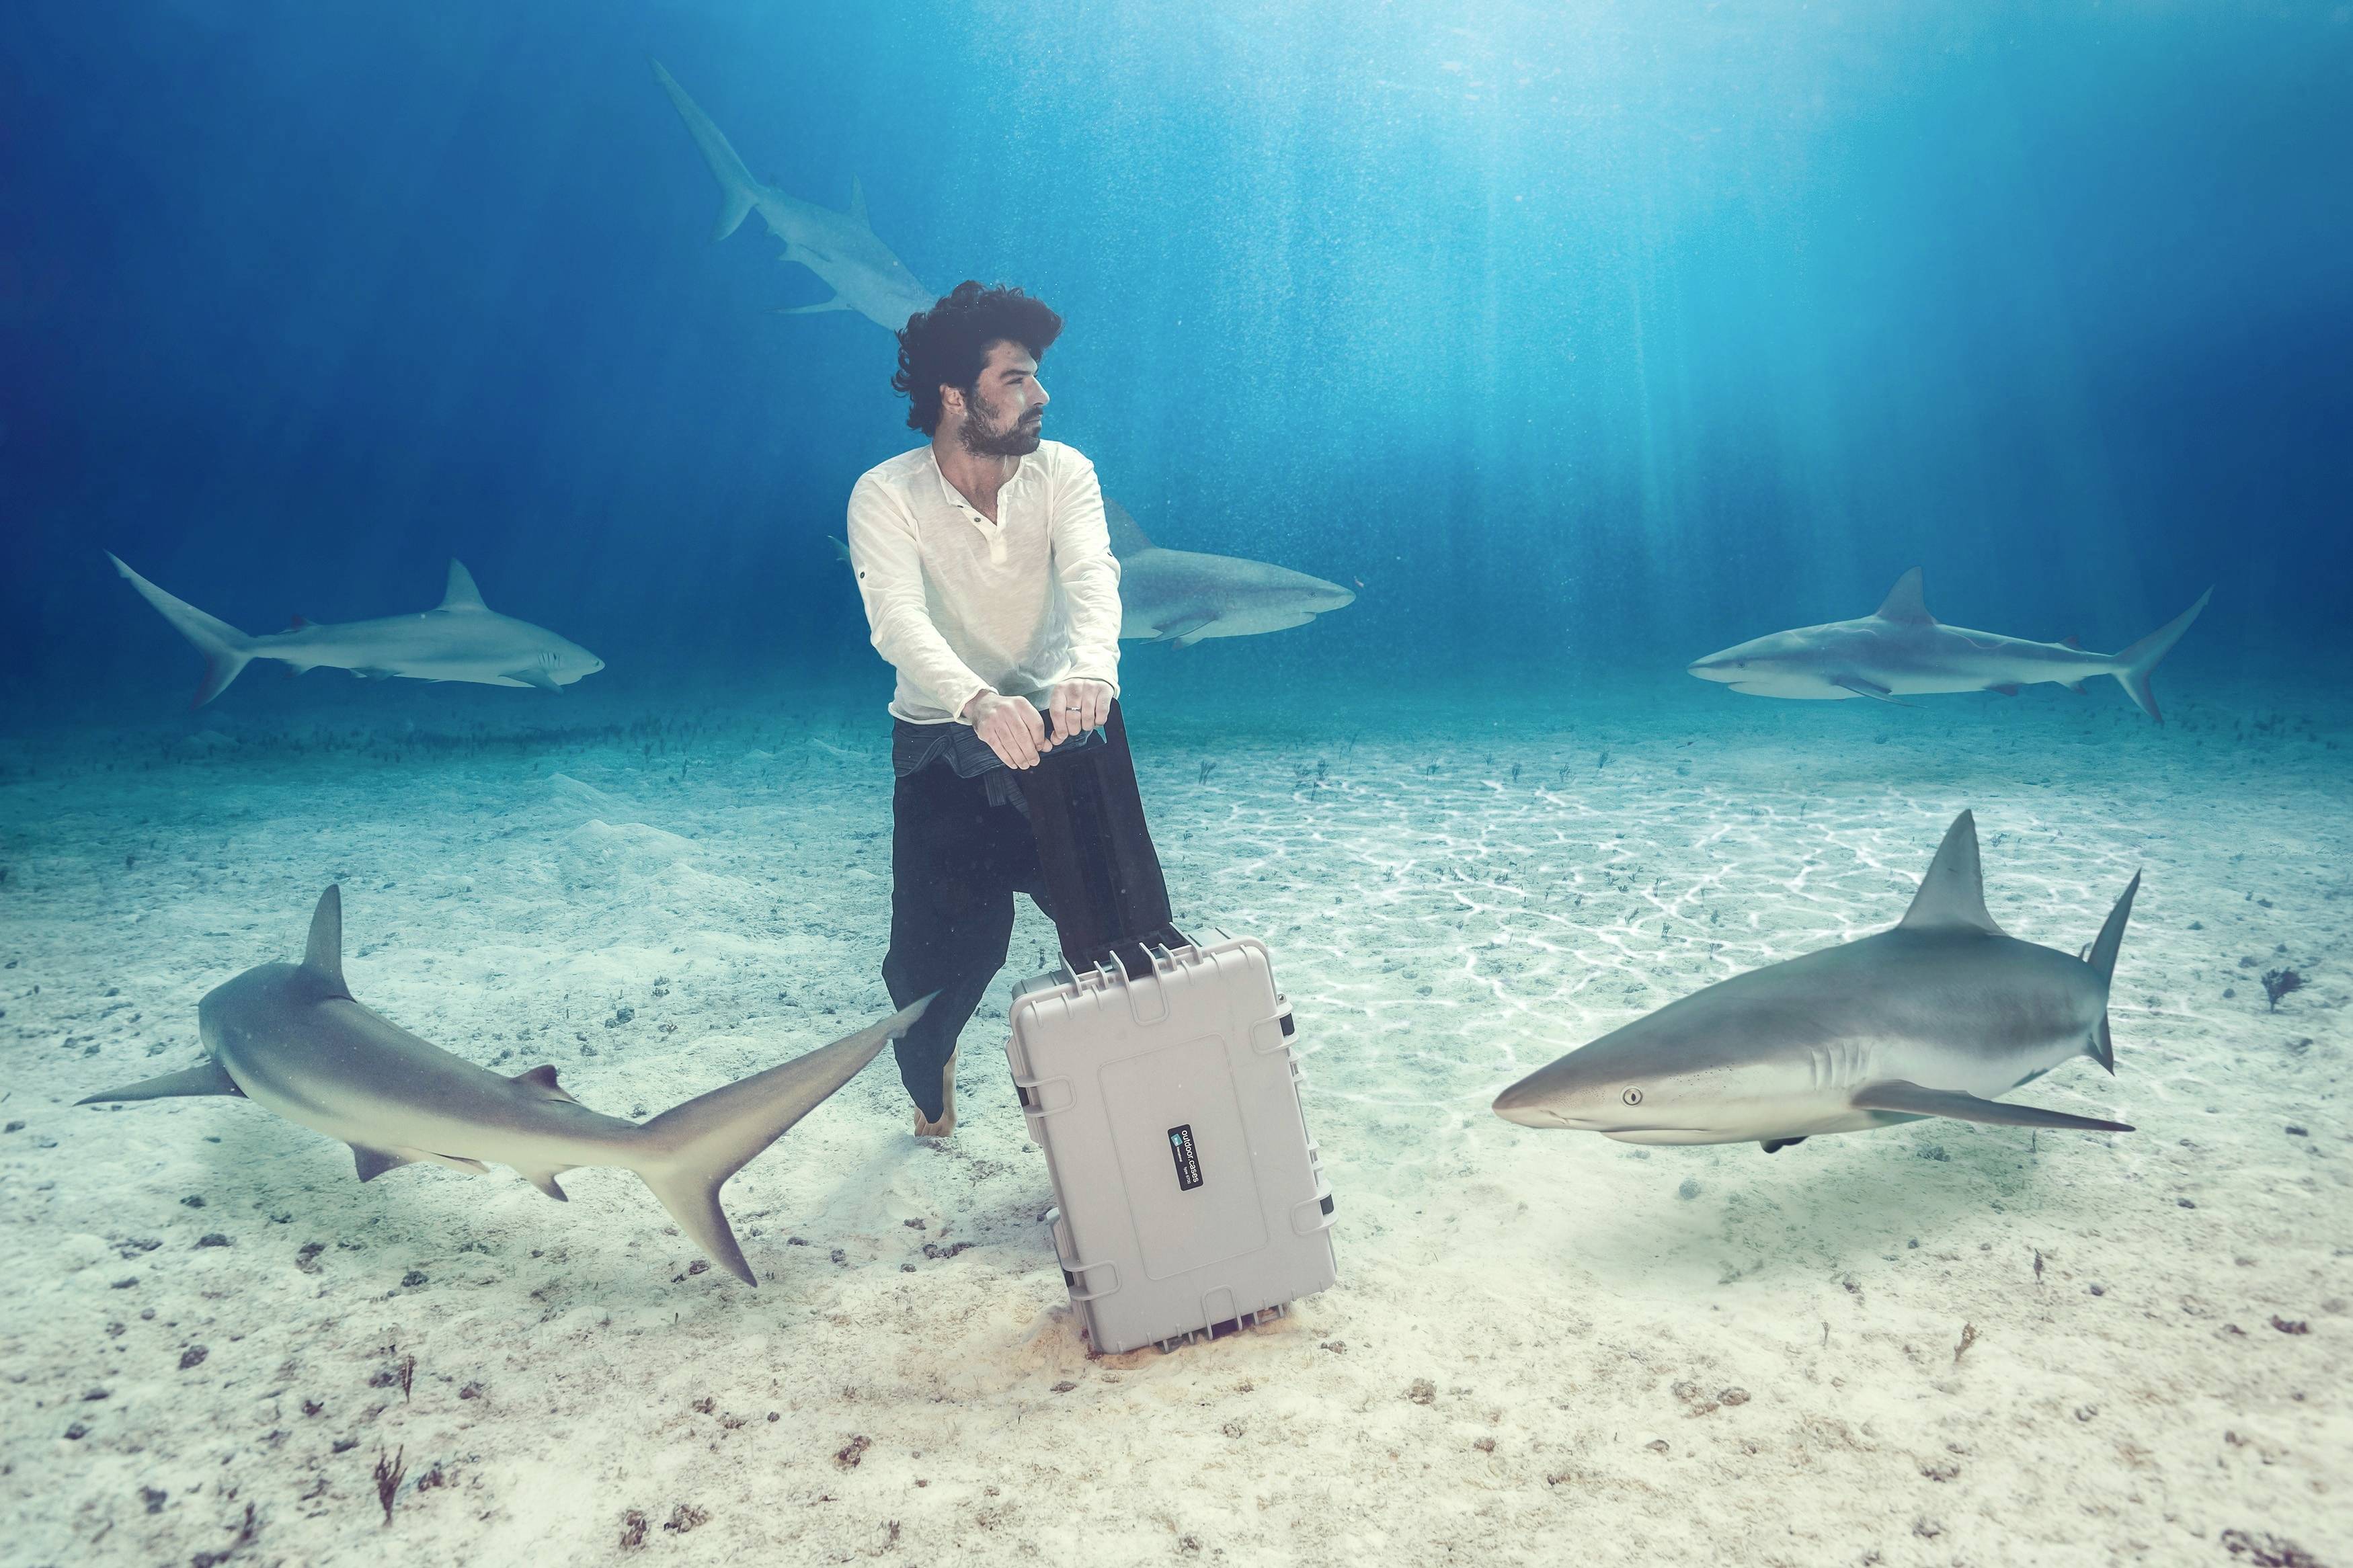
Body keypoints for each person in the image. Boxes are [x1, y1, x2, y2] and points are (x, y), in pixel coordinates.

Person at [844, 282, 1123, 1137]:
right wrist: (974, 700)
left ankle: (1144, 1103)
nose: (1041, 394)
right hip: (942, 741)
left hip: (1065, 726)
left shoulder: (1064, 471)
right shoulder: (885, 493)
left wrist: (1092, 669)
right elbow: (896, 618)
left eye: (1035, 374)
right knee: (934, 968)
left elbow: (1092, 578)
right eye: (1016, 378)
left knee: (1124, 930)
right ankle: (933, 1083)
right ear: (954, 395)